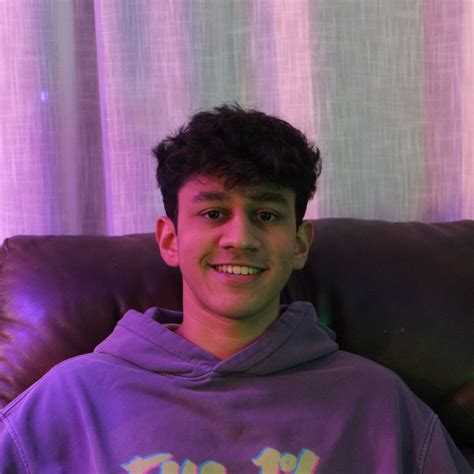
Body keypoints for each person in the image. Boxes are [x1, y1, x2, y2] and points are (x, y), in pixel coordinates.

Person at [0, 104, 470, 473]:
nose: (240, 238)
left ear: (300, 243)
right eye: (213, 213)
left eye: (266, 214)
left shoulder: (377, 404)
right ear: (170, 239)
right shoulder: (71, 399)